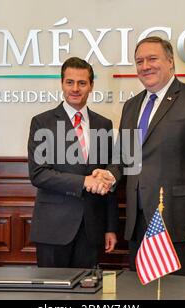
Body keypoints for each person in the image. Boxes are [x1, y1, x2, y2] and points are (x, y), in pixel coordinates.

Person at [94, 37, 185, 277]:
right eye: (139, 61)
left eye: (152, 59)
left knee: (182, 292)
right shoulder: (131, 106)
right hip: (138, 222)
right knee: (142, 290)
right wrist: (110, 175)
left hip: (181, 221)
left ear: (170, 62)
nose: (145, 66)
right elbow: (124, 157)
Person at [28, 57, 118, 268]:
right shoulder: (42, 122)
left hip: (92, 229)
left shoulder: (104, 124)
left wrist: (110, 227)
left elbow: (109, 176)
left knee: (88, 292)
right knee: (52, 296)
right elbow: (38, 173)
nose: (75, 88)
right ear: (62, 84)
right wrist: (83, 181)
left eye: (82, 83)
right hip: (53, 228)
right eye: (70, 82)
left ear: (91, 86)